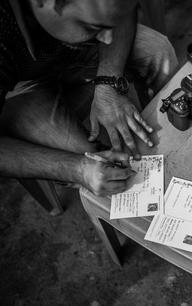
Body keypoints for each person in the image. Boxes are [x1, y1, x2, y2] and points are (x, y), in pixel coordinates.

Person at [0, 0, 178, 196]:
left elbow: (122, 13)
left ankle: (170, 139)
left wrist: (108, 83)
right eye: (93, 26)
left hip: (76, 51)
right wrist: (79, 169)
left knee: (157, 50)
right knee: (95, 163)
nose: (109, 40)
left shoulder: (92, 27)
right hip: (21, 87)